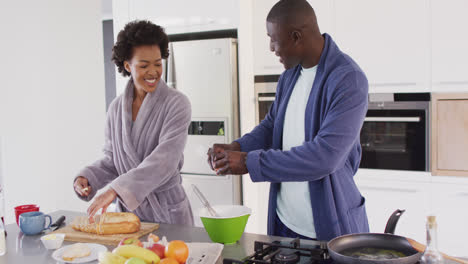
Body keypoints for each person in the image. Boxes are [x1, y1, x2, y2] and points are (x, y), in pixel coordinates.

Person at [207, 0, 369, 241]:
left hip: (326, 231)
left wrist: (249, 162)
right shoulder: (290, 75)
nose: (271, 47)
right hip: (284, 223)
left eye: (273, 38)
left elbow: (324, 157)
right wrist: (238, 147)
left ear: (296, 37)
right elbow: (272, 127)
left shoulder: (348, 79)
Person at [73, 20, 193, 225]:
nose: (153, 71)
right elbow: (113, 159)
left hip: (167, 210)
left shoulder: (177, 103)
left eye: (158, 63)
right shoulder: (116, 109)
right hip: (130, 215)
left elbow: (165, 160)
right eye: (144, 65)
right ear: (127, 66)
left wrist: (116, 189)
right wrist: (88, 177)